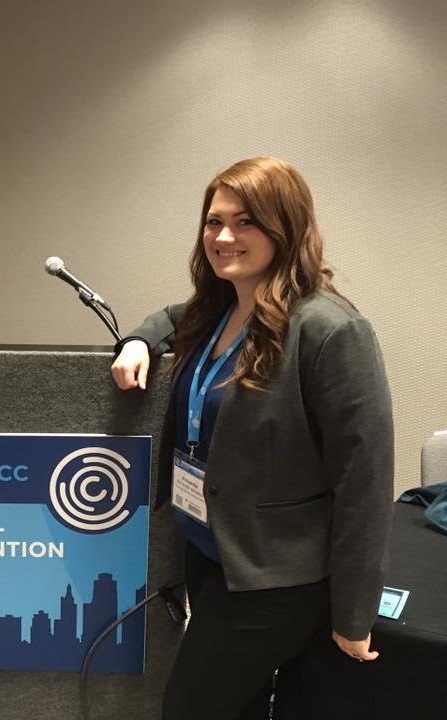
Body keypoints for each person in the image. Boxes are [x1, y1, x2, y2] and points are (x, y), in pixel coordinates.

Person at [110, 157, 393, 719]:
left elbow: (365, 480)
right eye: (213, 222)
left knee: (190, 709)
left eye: (245, 222)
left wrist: (353, 617)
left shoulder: (330, 329)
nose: (223, 237)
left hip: (278, 578)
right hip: (212, 555)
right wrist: (139, 340)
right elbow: (172, 313)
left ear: (285, 228)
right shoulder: (219, 309)